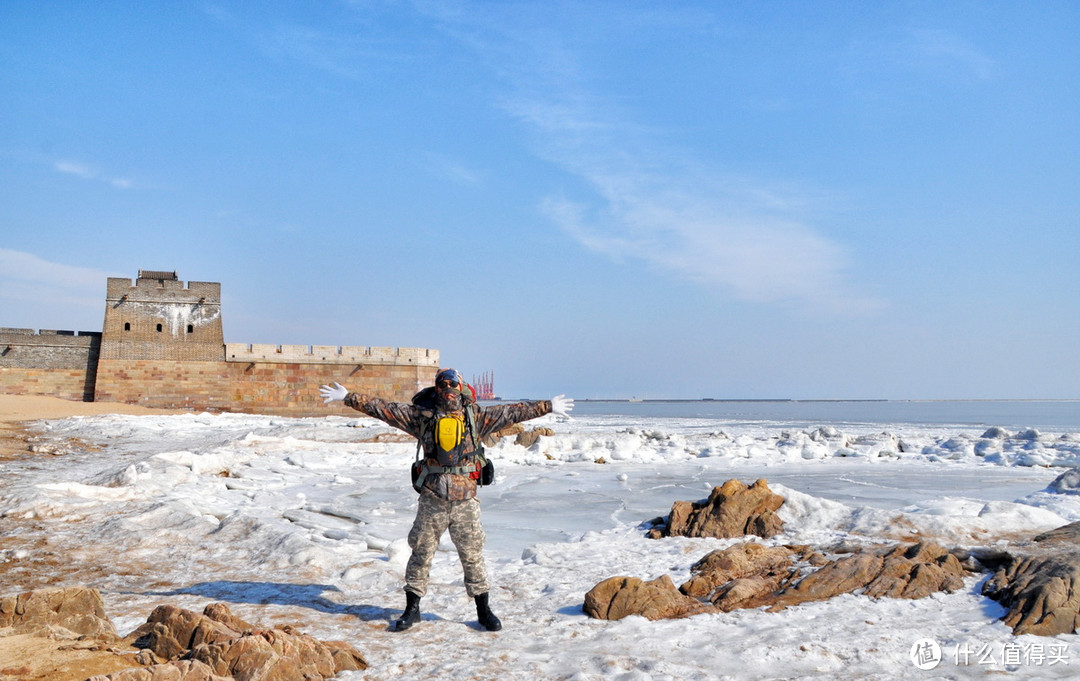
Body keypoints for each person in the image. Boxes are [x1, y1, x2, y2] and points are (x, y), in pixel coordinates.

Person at [320, 368, 573, 632]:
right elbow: (383, 408)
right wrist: (348, 397)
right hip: (432, 498)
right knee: (421, 552)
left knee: (472, 555)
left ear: (461, 387)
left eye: (453, 383)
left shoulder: (476, 416)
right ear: (437, 388)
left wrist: (548, 406)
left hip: (466, 501)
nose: (448, 388)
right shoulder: (422, 417)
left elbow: (514, 411)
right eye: (443, 383)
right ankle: (412, 609)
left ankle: (484, 610)